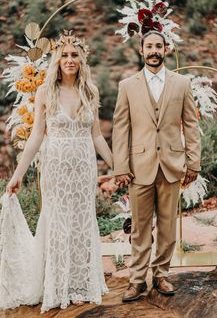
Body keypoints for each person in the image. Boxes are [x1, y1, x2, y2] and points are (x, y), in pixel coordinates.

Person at [2, 32, 112, 312]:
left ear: (82, 59)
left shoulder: (90, 91)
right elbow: (37, 136)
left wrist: (116, 165)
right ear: (57, 60)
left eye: (75, 55)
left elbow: (97, 136)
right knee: (59, 221)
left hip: (84, 169)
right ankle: (59, 283)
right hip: (57, 170)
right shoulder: (45, 91)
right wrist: (18, 174)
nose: (70, 60)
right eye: (64, 55)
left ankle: (79, 282)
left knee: (81, 222)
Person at [112, 31, 201, 301]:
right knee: (139, 227)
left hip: (172, 164)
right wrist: (120, 166)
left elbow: (192, 124)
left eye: (158, 46)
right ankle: (137, 280)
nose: (154, 50)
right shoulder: (127, 85)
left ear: (165, 49)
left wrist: (193, 161)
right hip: (139, 165)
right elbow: (120, 127)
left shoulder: (182, 83)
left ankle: (161, 275)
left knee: (167, 226)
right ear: (141, 50)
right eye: (149, 46)